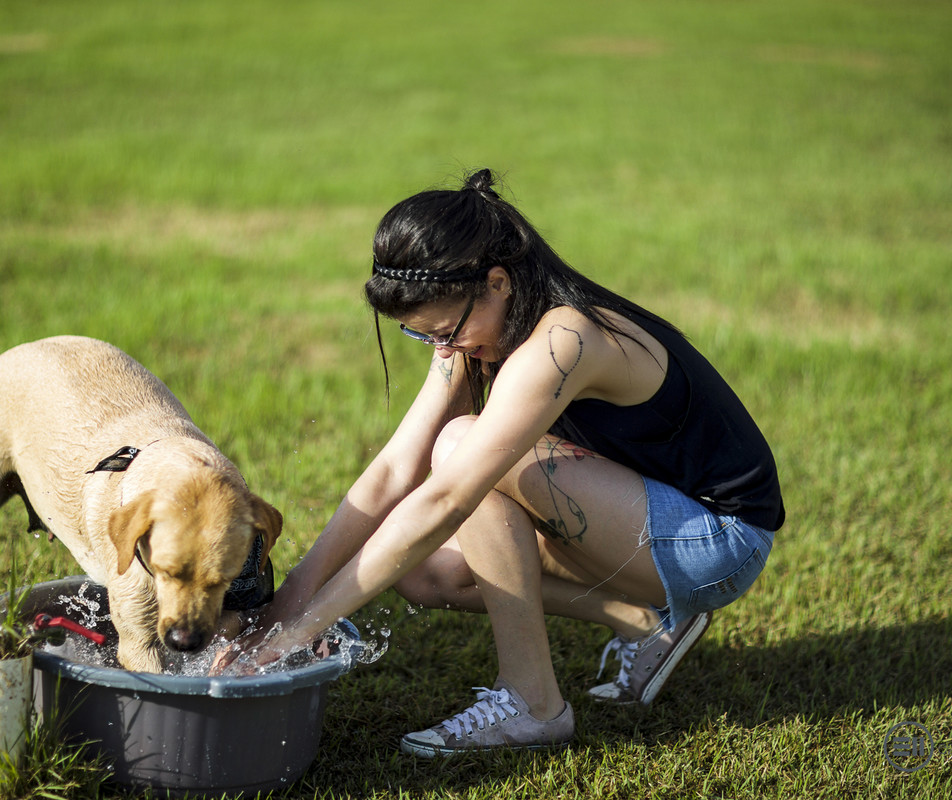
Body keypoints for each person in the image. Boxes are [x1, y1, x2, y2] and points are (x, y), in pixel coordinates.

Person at [214, 169, 785, 757]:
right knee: (426, 570)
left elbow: (446, 494)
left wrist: (296, 636)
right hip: (632, 517)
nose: (445, 350)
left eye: (446, 332)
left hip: (716, 540)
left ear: (496, 282)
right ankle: (645, 621)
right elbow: (394, 470)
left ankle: (535, 705)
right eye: (423, 338)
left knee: (462, 447)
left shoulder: (567, 339)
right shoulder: (479, 329)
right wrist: (283, 615)